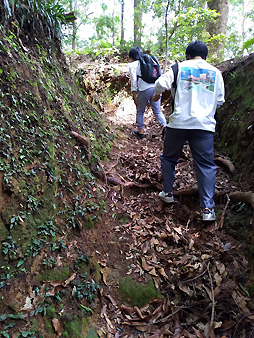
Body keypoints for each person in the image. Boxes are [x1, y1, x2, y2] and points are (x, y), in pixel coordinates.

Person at [152, 41, 225, 221]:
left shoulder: (179, 68)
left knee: (169, 158)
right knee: (206, 166)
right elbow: (220, 100)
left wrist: (156, 94)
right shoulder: (215, 72)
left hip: (178, 124)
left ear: (187, 55)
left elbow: (161, 83)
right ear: (205, 56)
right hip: (204, 126)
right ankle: (207, 210)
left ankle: (168, 193)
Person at [128, 47, 166, 139]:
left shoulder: (133, 65)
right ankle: (165, 127)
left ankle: (141, 132)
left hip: (143, 90)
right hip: (155, 88)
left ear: (131, 57)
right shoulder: (150, 61)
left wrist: (134, 95)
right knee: (157, 110)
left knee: (140, 111)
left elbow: (133, 81)